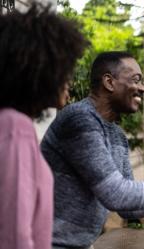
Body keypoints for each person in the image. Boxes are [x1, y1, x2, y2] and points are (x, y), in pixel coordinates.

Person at [40, 51, 144, 249]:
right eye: (136, 80)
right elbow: (116, 194)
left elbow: (128, 209)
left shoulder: (117, 136)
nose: (143, 88)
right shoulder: (79, 118)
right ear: (109, 82)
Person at [0, 5, 87, 249]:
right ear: (35, 69)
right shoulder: (14, 128)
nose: (68, 80)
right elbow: (14, 236)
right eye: (63, 69)